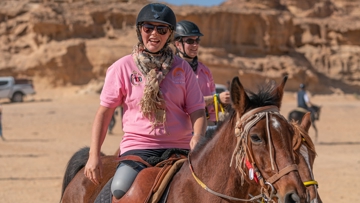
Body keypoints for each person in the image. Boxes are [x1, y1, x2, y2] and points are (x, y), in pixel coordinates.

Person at [84, 3, 206, 200]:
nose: (154, 34)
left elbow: (198, 110)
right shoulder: (122, 68)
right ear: (140, 30)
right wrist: (94, 155)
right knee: (119, 188)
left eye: (161, 29)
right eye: (148, 28)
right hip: (139, 149)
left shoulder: (182, 68)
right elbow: (104, 113)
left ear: (170, 34)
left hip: (180, 149)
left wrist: (198, 136)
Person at [174, 20, 230, 127]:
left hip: (209, 126)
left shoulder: (205, 70)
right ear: (178, 44)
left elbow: (214, 102)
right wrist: (217, 98)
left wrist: (225, 101)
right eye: (190, 41)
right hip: (184, 129)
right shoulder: (171, 70)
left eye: (197, 40)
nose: (195, 45)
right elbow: (184, 103)